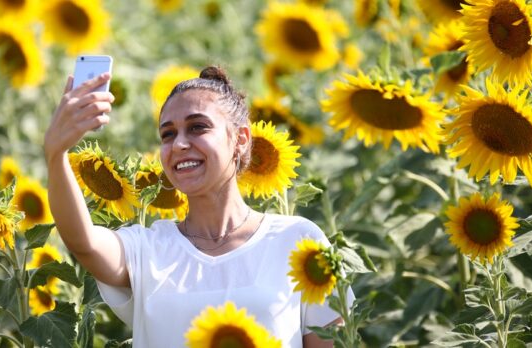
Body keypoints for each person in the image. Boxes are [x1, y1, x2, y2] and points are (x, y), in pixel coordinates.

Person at [44, 66, 349, 347]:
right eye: (168, 134)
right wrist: (57, 154)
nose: (178, 144)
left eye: (198, 127)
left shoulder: (297, 240)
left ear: (240, 138)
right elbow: (83, 242)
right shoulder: (149, 249)